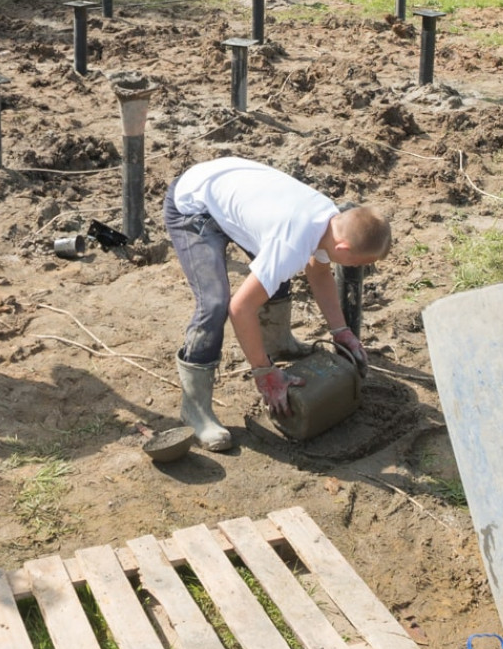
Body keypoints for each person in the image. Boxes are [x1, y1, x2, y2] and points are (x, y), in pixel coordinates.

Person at [165, 156, 390, 451]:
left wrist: (341, 331)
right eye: (360, 264)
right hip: (193, 205)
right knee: (215, 303)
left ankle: (277, 343)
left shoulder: (330, 222)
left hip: (229, 188)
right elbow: (239, 309)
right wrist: (263, 373)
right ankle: (194, 409)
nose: (359, 270)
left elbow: (318, 270)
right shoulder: (291, 244)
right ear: (344, 249)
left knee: (275, 273)